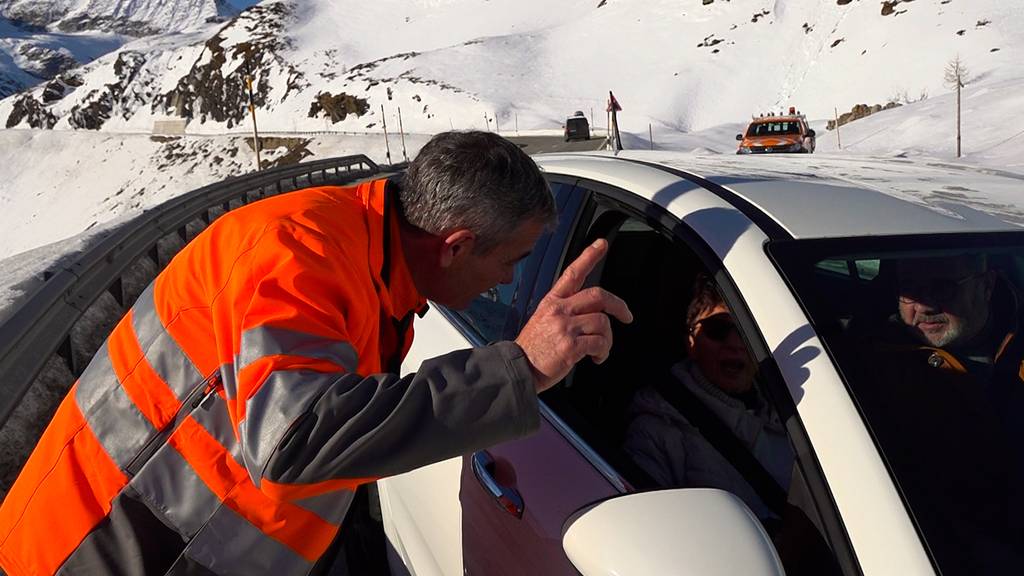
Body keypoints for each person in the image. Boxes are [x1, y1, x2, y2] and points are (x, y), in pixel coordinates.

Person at [0, 131, 632, 576]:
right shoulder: (298, 252)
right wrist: (517, 369)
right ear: (455, 245)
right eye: (510, 263)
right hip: (106, 552)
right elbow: (293, 440)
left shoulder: (371, 259)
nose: (505, 286)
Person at [623, 274, 792, 521]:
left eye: (748, 332)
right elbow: (647, 527)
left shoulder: (797, 419)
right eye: (718, 330)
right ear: (691, 342)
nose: (735, 344)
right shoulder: (657, 429)